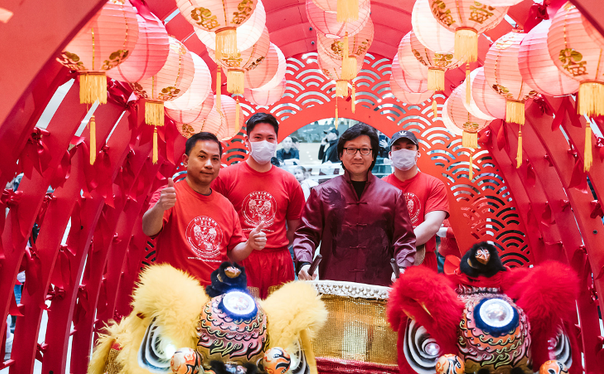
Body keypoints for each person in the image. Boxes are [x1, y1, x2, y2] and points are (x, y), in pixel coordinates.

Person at [294, 123, 415, 285]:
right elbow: (306, 234)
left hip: (379, 283)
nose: (358, 156)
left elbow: (404, 238)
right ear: (341, 155)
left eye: (364, 150)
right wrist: (304, 262)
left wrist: (403, 266)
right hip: (333, 283)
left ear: (373, 155)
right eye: (351, 149)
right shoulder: (322, 193)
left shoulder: (392, 195)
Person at [142, 132, 267, 285]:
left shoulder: (226, 205)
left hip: (214, 294)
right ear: (186, 161)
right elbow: (149, 229)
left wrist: (249, 245)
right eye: (202, 157)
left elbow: (234, 253)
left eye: (215, 159)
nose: (209, 164)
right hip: (174, 294)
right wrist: (160, 206)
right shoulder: (169, 196)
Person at [212, 113, 305, 297]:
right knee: (240, 320)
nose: (265, 142)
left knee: (280, 319)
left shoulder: (290, 182)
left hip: (279, 263)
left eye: (270, 138)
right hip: (240, 261)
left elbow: (295, 229)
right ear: (248, 141)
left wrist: (274, 244)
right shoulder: (225, 178)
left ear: (277, 141)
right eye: (258, 137)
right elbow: (216, 224)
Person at [382, 130, 449, 270]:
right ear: (390, 155)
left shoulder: (434, 185)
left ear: (418, 153)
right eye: (398, 148)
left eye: (409, 147)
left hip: (423, 260)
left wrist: (398, 245)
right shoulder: (379, 187)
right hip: (387, 261)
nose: (403, 151)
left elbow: (432, 225)